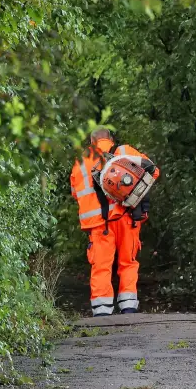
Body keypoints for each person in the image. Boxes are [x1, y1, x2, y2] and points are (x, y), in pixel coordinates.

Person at [70, 128, 160, 316]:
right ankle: (128, 307)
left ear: (91, 141)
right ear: (110, 139)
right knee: (128, 262)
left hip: (99, 224)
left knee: (101, 266)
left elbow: (74, 192)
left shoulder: (81, 162)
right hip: (127, 218)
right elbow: (154, 171)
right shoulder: (126, 151)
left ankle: (102, 312)